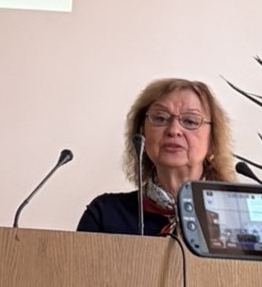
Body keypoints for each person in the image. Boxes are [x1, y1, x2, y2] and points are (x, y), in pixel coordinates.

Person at [77, 78, 236, 236]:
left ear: (212, 140)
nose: (174, 130)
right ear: (142, 133)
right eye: (160, 118)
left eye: (190, 121)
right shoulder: (105, 214)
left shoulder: (235, 215)